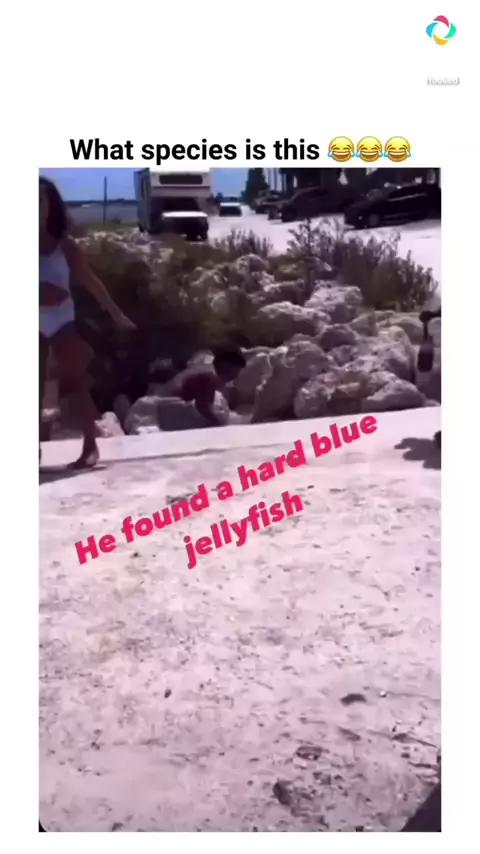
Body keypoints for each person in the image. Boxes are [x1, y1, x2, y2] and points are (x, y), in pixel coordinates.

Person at [39, 177, 135, 468]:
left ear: (51, 206)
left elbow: (90, 281)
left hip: (61, 322)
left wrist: (115, 313)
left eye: (40, 201)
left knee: (76, 384)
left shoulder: (65, 246)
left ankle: (90, 447)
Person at [166, 348, 246, 427]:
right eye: (236, 371)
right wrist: (220, 425)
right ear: (226, 366)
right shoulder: (209, 377)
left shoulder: (205, 371)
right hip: (171, 412)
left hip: (170, 409)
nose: (236, 376)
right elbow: (202, 407)